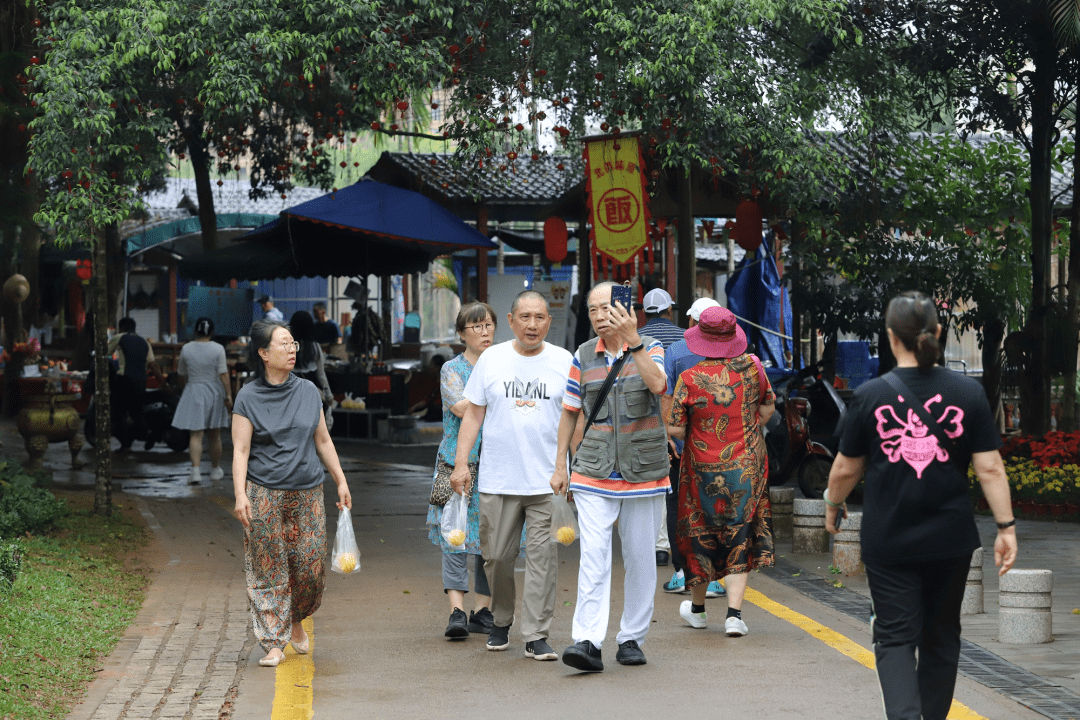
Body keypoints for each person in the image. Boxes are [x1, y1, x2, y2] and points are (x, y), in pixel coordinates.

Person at [823, 291, 1017, 720]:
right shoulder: (968, 393)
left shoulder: (870, 396)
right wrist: (1006, 527)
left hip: (888, 540)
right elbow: (991, 470)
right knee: (942, 638)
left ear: (891, 338)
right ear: (939, 333)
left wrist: (831, 504)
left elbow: (843, 471)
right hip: (950, 540)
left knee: (894, 637)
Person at [552, 282, 670, 672]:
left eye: (608, 308)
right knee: (594, 556)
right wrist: (560, 467)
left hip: (644, 471)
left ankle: (632, 638)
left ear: (626, 309)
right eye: (593, 310)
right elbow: (570, 411)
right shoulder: (583, 355)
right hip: (594, 469)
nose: (601, 316)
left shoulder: (651, 346)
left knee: (640, 557)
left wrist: (633, 340)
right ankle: (586, 640)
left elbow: (658, 385)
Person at [449, 290, 572, 661]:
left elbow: (574, 416)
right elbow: (472, 414)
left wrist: (565, 464)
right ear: (511, 319)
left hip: (545, 482)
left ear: (549, 322)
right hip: (499, 480)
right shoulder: (493, 359)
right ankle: (501, 618)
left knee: (542, 560)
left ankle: (536, 633)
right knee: (497, 556)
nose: (532, 325)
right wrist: (461, 464)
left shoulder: (564, 361)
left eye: (540, 318)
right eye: (525, 317)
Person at [231, 320, 353, 668]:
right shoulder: (248, 397)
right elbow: (240, 450)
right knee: (268, 567)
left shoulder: (308, 391)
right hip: (263, 492)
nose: (292, 349)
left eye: (293, 343)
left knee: (309, 566)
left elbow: (323, 440)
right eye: (283, 344)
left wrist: (341, 481)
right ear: (264, 353)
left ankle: (296, 620)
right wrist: (240, 494)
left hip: (308, 492)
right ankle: (273, 642)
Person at [666, 305, 776, 636]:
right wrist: (749, 429)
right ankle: (734, 616)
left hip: (701, 470)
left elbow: (673, 427)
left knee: (700, 533)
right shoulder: (754, 368)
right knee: (739, 532)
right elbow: (769, 404)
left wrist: (700, 434)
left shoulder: (689, 378)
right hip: (747, 466)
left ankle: (698, 611)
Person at [427, 302, 497, 639]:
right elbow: (461, 407)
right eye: (476, 327)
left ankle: (483, 610)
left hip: (497, 463)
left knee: (491, 538)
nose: (484, 332)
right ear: (461, 334)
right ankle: (456, 610)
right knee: (453, 535)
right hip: (456, 462)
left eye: (488, 325)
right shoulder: (451, 369)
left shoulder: (503, 363)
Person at [660, 297, 723, 595]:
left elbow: (666, 398)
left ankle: (682, 573)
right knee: (717, 503)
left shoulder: (675, 351)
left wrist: (670, 437)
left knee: (678, 505)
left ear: (691, 322)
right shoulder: (733, 350)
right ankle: (714, 575)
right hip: (722, 445)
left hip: (682, 443)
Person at [641, 287, 685, 568]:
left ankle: (659, 547)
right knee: (680, 489)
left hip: (647, 421)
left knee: (656, 485)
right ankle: (682, 546)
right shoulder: (685, 339)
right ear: (670, 310)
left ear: (643, 314)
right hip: (680, 423)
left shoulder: (638, 341)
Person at [171, 317, 232, 484]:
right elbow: (224, 374)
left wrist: (185, 389)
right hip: (214, 391)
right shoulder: (218, 348)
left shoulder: (186, 348)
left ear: (195, 331)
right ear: (211, 331)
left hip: (194, 389)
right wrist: (229, 396)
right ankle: (214, 470)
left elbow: (181, 374)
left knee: (196, 434)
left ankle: (196, 471)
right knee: (215, 434)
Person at [107, 317, 168, 451]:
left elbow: (104, 354)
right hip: (140, 381)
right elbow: (153, 365)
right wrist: (164, 385)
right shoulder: (145, 341)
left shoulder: (119, 337)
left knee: (119, 412)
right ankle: (148, 433)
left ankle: (125, 445)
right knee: (136, 412)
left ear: (122, 327)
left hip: (124, 380)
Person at [288, 311, 335, 432]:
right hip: (311, 393)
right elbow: (321, 374)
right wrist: (329, 395)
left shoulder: (286, 347)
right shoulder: (314, 347)